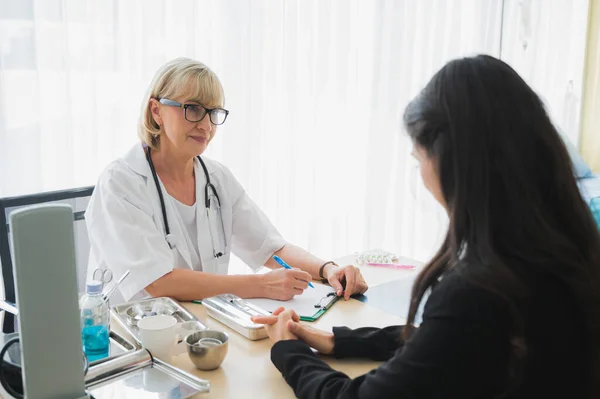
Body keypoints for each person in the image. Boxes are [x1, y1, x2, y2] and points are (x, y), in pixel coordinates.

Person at [252, 55, 600, 398]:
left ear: (451, 162)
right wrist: (340, 340)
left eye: (419, 159)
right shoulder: (572, 251)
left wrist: (288, 351)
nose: (420, 175)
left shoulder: (479, 291)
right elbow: (449, 340)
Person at [85, 58, 368, 303]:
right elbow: (157, 282)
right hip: (129, 340)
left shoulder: (216, 178)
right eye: (193, 109)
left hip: (201, 328)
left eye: (213, 113)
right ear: (157, 111)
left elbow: (271, 247)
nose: (206, 126)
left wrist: (328, 269)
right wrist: (259, 285)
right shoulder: (121, 183)